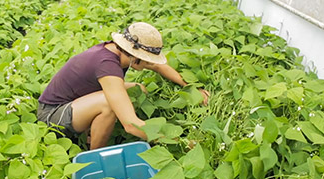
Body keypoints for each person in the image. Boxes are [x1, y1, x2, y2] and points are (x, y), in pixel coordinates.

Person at [37, 22, 209, 149]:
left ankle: (92, 131)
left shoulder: (118, 51)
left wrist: (192, 90)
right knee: (108, 104)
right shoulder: (107, 65)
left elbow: (158, 66)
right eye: (147, 60)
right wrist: (180, 141)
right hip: (52, 115)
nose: (150, 64)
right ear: (136, 56)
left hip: (76, 102)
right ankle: (95, 155)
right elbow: (130, 124)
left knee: (138, 88)